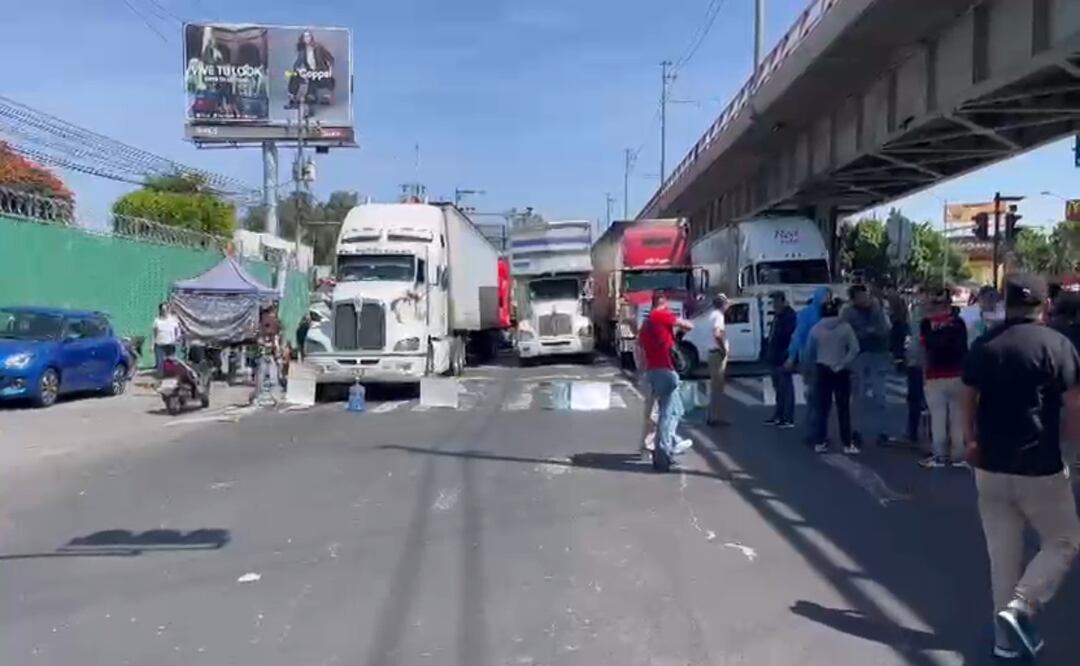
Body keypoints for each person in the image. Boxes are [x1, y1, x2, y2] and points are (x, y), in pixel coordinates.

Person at [960, 273, 1080, 660]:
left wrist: (970, 439)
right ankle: (1022, 605)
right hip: (1039, 466)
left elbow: (968, 396)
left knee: (1003, 559)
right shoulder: (1056, 345)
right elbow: (1075, 405)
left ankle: (1005, 643)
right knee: (1064, 540)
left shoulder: (984, 345)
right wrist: (1073, 450)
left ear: (1005, 303)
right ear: (1045, 305)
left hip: (990, 468)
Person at [638, 291, 695, 472]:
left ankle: (670, 444)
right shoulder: (661, 315)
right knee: (666, 414)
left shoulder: (647, 323)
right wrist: (678, 323)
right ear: (663, 303)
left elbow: (641, 348)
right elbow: (688, 326)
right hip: (666, 371)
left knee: (677, 410)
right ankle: (663, 454)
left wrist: (643, 372)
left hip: (653, 371)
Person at [918, 289, 969, 468]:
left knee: (938, 417)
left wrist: (923, 374)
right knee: (958, 417)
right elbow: (963, 348)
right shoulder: (958, 323)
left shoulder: (926, 324)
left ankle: (940, 455)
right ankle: (958, 455)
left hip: (935, 374)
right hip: (957, 373)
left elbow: (925, 348)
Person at [806, 298, 860, 454]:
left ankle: (820, 441)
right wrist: (843, 363)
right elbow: (855, 349)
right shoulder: (845, 327)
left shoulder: (816, 329)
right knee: (843, 408)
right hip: (841, 370)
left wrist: (808, 369)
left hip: (822, 369)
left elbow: (809, 352)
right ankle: (847, 443)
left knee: (822, 408)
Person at [842, 284, 892, 449]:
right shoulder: (848, 313)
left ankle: (882, 431)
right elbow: (847, 334)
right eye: (860, 296)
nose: (864, 299)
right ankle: (857, 431)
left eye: (865, 295)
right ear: (853, 299)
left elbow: (885, 329)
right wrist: (868, 331)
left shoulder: (878, 308)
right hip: (859, 355)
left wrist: (869, 331)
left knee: (880, 395)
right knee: (858, 395)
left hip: (878, 354)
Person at [785, 287, 832, 445]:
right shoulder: (809, 314)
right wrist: (792, 357)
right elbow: (798, 337)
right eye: (827, 296)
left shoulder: (819, 313)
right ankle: (814, 432)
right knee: (816, 398)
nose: (828, 300)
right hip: (812, 360)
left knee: (819, 398)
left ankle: (817, 431)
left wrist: (792, 357)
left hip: (820, 359)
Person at [764, 291, 797, 428]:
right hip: (775, 357)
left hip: (783, 356)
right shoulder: (778, 316)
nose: (774, 304)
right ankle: (779, 415)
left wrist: (789, 356)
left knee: (786, 388)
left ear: (782, 301)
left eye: (776, 301)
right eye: (773, 302)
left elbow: (789, 336)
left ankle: (787, 417)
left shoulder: (788, 316)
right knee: (778, 389)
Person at [703, 294, 730, 427]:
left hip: (711, 353)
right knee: (718, 387)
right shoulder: (718, 316)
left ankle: (711, 415)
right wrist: (723, 349)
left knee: (714, 386)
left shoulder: (711, 315)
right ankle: (716, 417)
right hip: (717, 353)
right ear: (723, 304)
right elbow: (717, 334)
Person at [152, 302, 182, 376]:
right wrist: (152, 345)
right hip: (159, 345)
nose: (164, 311)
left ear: (168, 310)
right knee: (160, 364)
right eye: (162, 310)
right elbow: (154, 333)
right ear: (160, 310)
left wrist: (177, 338)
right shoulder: (157, 320)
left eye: (166, 309)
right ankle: (160, 377)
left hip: (170, 344)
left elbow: (177, 330)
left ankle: (170, 377)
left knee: (171, 364)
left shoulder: (173, 319)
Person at [885, 285, 909, 366]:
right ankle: (900, 361)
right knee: (899, 347)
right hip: (900, 324)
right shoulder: (900, 300)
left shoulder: (890, 300)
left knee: (896, 347)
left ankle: (899, 361)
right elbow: (905, 312)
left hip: (895, 325)